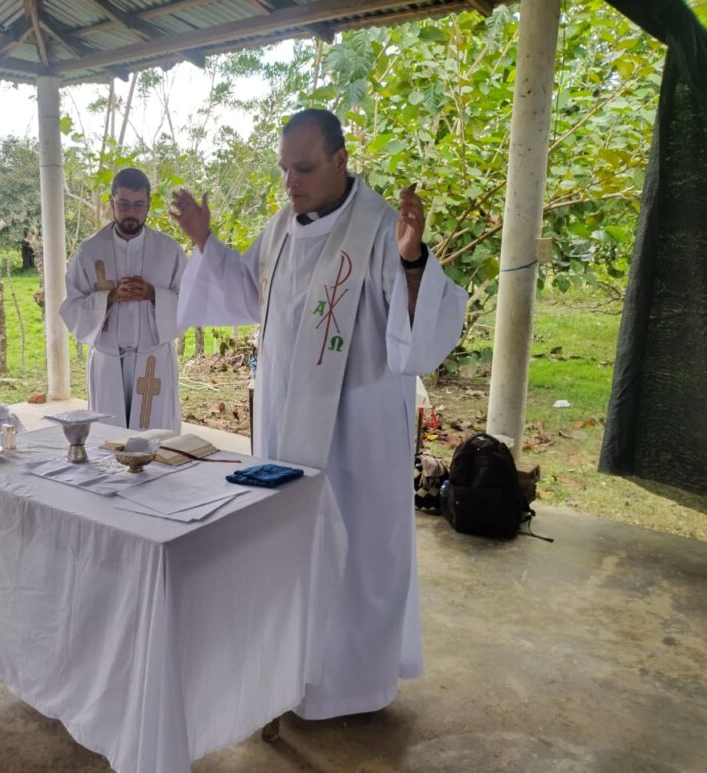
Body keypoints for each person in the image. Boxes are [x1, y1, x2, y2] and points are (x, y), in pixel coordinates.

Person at [170, 109, 467, 719]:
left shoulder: (382, 228)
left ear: (340, 161)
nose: (290, 182)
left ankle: (352, 684)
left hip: (357, 430)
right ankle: (290, 674)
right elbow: (246, 292)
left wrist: (413, 261)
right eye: (284, 169)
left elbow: (419, 335)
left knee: (355, 548)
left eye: (303, 168)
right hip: (284, 419)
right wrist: (206, 241)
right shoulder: (282, 227)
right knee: (290, 543)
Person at [61, 168, 186, 431]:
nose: (131, 213)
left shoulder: (169, 250)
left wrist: (154, 295)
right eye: (124, 204)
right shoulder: (90, 250)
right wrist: (109, 297)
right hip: (109, 360)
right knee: (109, 441)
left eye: (139, 205)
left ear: (149, 204)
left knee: (154, 442)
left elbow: (189, 302)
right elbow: (71, 305)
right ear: (111, 203)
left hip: (152, 359)